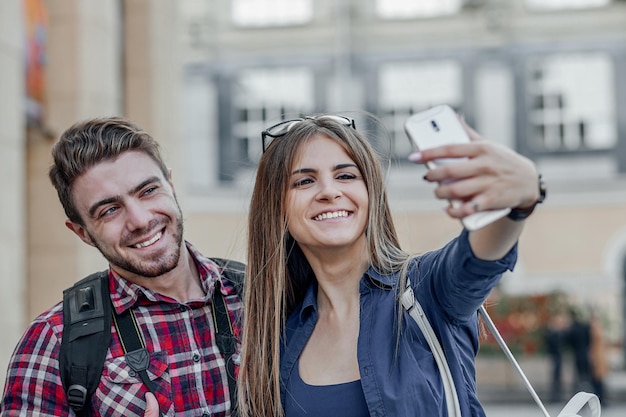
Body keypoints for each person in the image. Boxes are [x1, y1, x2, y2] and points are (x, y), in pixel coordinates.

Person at [237, 113, 543, 416]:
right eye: (304, 181)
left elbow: (478, 258)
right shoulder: (279, 336)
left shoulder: (426, 290)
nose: (329, 191)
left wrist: (518, 201)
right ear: (277, 207)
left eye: (346, 176)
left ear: (371, 193)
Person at [0, 117, 243, 417]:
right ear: (82, 233)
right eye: (110, 210)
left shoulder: (264, 296)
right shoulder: (53, 340)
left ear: (171, 185)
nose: (140, 220)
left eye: (148, 191)